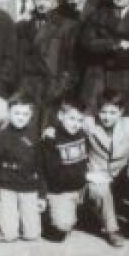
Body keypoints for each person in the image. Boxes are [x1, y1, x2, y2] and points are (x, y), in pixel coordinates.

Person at [85, 89, 129, 247]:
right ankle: (112, 229)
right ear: (97, 111)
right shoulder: (89, 124)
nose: (107, 117)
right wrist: (51, 129)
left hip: (122, 173)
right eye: (103, 112)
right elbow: (67, 122)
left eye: (112, 112)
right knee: (99, 189)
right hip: (99, 172)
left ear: (121, 112)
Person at [0, 93, 45, 242]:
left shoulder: (35, 137)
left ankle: (20, 219)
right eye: (17, 113)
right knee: (8, 236)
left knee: (32, 235)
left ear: (31, 115)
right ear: (9, 112)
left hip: (29, 189)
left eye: (25, 114)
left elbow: (41, 168)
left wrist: (41, 195)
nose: (21, 117)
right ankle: (2, 221)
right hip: (6, 189)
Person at [17, 0, 79, 110]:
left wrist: (60, 88)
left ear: (55, 1)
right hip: (29, 89)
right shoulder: (23, 26)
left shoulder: (67, 26)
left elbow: (72, 63)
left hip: (53, 89)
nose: (42, 3)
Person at [39, 96, 89, 241]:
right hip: (60, 190)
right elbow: (54, 177)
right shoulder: (51, 139)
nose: (76, 124)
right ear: (61, 116)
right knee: (62, 228)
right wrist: (84, 177)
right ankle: (46, 215)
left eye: (80, 120)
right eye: (72, 119)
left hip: (79, 188)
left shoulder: (82, 134)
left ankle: (77, 212)